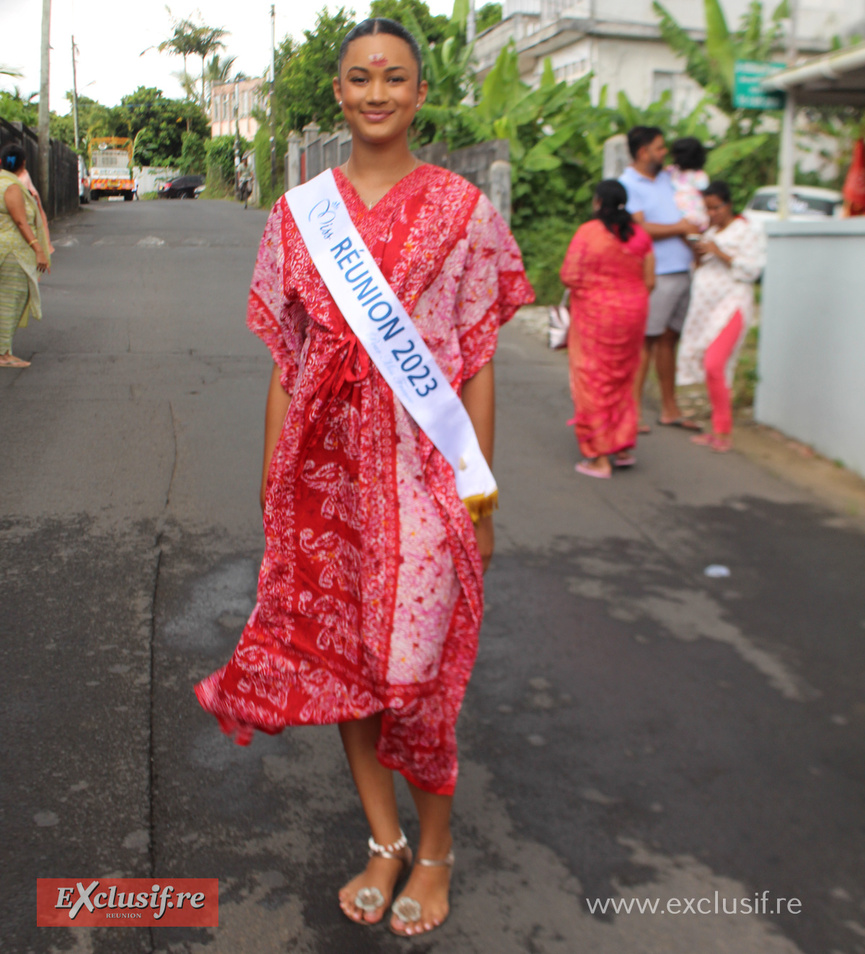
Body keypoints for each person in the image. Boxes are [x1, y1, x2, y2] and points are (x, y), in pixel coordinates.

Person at [195, 17, 533, 939]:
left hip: (426, 479)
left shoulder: (464, 211)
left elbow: (475, 363)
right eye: (358, 78)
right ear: (338, 93)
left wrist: (478, 496)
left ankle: (435, 849)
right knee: (347, 662)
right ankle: (384, 840)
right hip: (326, 481)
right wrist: (273, 486)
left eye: (393, 77)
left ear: (419, 92)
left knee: (415, 674)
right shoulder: (297, 216)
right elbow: (287, 362)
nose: (376, 92)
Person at [560, 180, 654, 478]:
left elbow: (569, 275)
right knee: (623, 378)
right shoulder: (640, 234)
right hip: (633, 314)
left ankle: (599, 457)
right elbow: (650, 281)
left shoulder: (588, 232)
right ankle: (621, 446)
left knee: (593, 379)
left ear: (598, 202)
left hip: (596, 315)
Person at [619, 126, 701, 434]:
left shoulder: (670, 178)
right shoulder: (628, 184)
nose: (665, 153)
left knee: (669, 340)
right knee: (646, 341)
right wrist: (681, 227)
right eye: (659, 148)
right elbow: (638, 228)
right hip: (657, 273)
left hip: (683, 269)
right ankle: (633, 412)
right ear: (643, 152)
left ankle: (670, 408)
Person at [677, 181, 765, 452]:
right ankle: (718, 429)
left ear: (728, 204)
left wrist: (719, 252)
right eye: (708, 209)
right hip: (706, 309)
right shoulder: (711, 232)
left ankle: (723, 431)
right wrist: (698, 253)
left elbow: (753, 269)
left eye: (716, 208)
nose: (712, 213)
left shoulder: (747, 230)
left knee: (714, 364)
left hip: (733, 305)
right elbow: (699, 268)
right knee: (712, 367)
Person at [0, 143, 50, 368]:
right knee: (10, 301)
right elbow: (21, 221)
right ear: (23, 164)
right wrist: (39, 250)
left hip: (6, 251)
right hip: (13, 254)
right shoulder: (11, 187)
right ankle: (3, 355)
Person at [667, 136, 709, 232]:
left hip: (695, 217)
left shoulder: (700, 176)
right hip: (675, 217)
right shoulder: (672, 171)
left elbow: (705, 197)